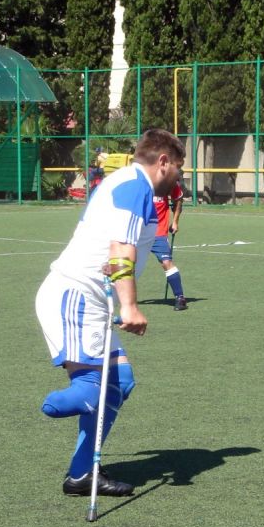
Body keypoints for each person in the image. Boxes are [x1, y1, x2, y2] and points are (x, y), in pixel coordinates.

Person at [35, 128, 185, 496]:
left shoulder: (129, 183)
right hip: (75, 297)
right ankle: (60, 404)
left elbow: (109, 246)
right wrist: (130, 306)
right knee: (93, 389)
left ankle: (81, 474)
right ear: (163, 161)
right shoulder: (135, 186)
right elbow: (121, 248)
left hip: (88, 300)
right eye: (179, 167)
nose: (179, 176)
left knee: (120, 381)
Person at [151, 180, 188, 311]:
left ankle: (180, 297)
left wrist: (175, 221)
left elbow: (178, 199)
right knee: (126, 263)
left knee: (167, 262)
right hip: (137, 232)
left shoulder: (168, 180)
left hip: (158, 232)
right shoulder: (139, 181)